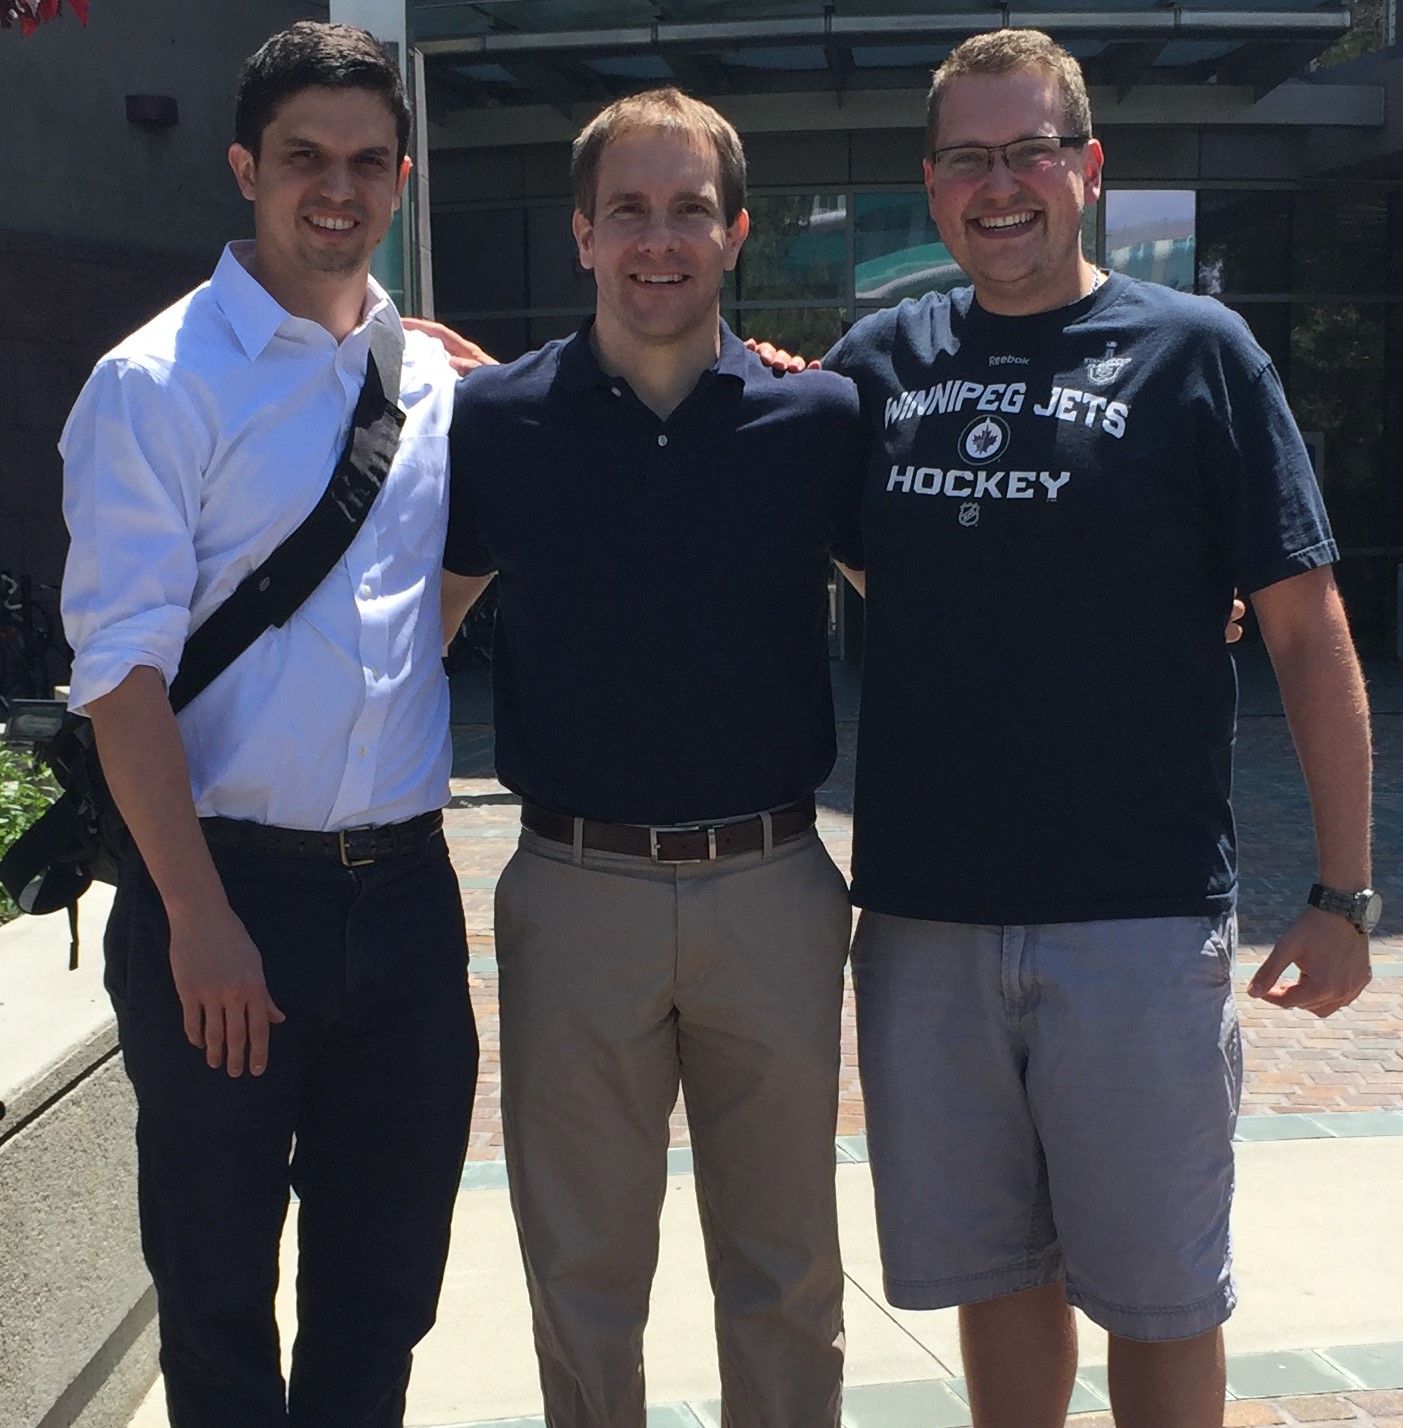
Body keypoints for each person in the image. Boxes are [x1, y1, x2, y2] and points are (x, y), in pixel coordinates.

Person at [817, 28, 1374, 1428]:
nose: (1000, 185)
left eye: (1030, 152)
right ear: (930, 183)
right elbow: (766, 487)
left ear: (1088, 168)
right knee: (998, 1278)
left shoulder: (1201, 355)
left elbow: (1307, 631)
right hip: (928, 923)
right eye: (968, 158)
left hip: (1133, 921)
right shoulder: (879, 360)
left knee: (1161, 1294)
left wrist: (1342, 895)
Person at [59, 23, 477, 1428]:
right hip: (222, 900)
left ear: (403, 179)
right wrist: (196, 914)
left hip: (407, 903)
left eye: (368, 161)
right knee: (218, 1291)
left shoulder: (434, 385)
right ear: (245, 166)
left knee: (384, 1291)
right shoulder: (155, 381)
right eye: (304, 156)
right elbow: (118, 671)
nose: (336, 189)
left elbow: (432, 602)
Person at [439, 89, 863, 1428]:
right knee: (579, 1272)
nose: (659, 238)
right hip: (574, 893)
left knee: (788, 1271)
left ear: (737, 232)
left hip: (775, 887)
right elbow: (402, 643)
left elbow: (950, 619)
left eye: (690, 210)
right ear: (582, 233)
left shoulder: (820, 423)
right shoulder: (497, 423)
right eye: (630, 208)